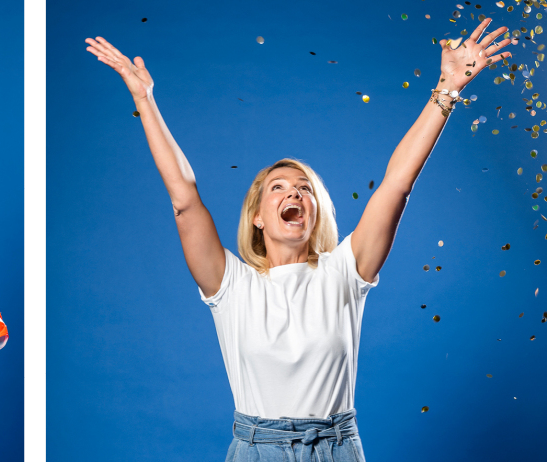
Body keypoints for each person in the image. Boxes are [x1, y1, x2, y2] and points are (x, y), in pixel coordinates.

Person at [85, 18, 513, 462]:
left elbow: (396, 184)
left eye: (305, 187)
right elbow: (185, 199)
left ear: (315, 210)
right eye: (278, 187)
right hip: (256, 450)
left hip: (338, 448)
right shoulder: (231, 285)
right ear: (257, 218)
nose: (294, 191)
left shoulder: (346, 272)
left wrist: (446, 90)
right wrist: (144, 100)